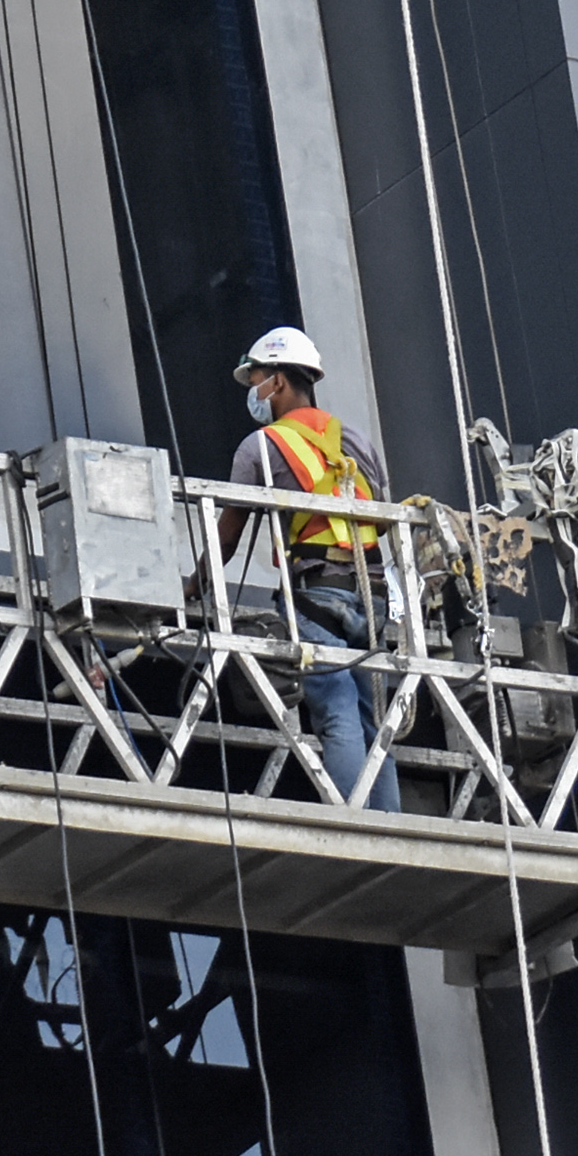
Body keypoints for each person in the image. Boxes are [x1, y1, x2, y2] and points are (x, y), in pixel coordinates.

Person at [228, 326, 402, 813]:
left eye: (257, 381)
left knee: (338, 712)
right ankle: (389, 822)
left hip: (315, 595)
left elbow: (226, 539)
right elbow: (383, 523)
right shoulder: (356, 443)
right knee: (376, 722)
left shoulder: (262, 446)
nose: (255, 393)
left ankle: (356, 821)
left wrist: (192, 585)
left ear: (279, 382)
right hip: (374, 597)